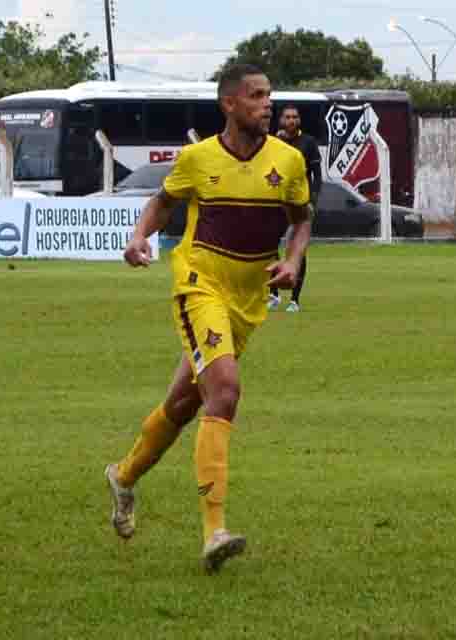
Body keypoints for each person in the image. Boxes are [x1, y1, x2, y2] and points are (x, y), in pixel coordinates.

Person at [104, 64, 312, 574]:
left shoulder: (288, 161)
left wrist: (292, 260)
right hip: (200, 284)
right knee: (225, 390)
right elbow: (163, 201)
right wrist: (139, 238)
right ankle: (214, 531)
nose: (268, 104)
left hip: (248, 297)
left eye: (269, 95)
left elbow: (302, 220)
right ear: (230, 104)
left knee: (182, 403)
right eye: (257, 96)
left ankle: (124, 477)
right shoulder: (198, 159)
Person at [267, 104, 322, 313]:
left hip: (299, 204)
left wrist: (312, 201)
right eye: (287, 117)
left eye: (294, 117)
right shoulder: (274, 142)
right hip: (276, 203)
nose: (291, 120)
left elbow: (318, 176)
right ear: (281, 120)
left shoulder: (308, 143)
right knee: (269, 247)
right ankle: (273, 294)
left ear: (299, 120)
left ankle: (294, 300)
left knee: (297, 250)